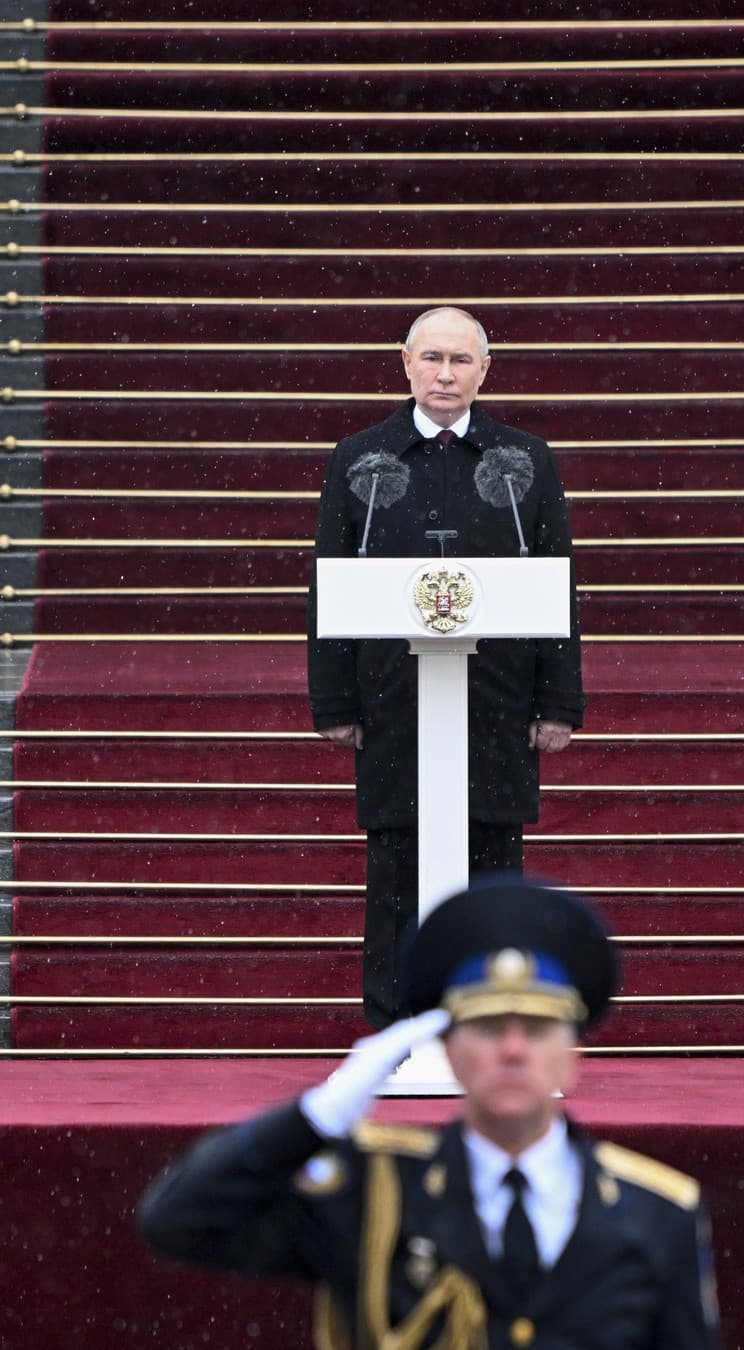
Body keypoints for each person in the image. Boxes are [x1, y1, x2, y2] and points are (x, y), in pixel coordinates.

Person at [138, 879, 722, 1349]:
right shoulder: (373, 1190)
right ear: (449, 1052)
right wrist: (316, 1117)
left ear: (572, 1056)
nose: (513, 1049)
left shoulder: (657, 1213)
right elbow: (179, 1221)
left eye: (539, 1029)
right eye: (489, 1028)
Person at [307, 307, 584, 1029]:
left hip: (496, 698)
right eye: (431, 358)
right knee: (396, 866)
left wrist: (557, 699)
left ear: (484, 370)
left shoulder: (523, 461)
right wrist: (336, 702)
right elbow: (330, 580)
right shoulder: (362, 461)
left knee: (493, 865)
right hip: (394, 697)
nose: (444, 373)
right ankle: (396, 1026)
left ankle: (490, 1022)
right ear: (404, 363)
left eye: (461, 360)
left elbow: (557, 578)